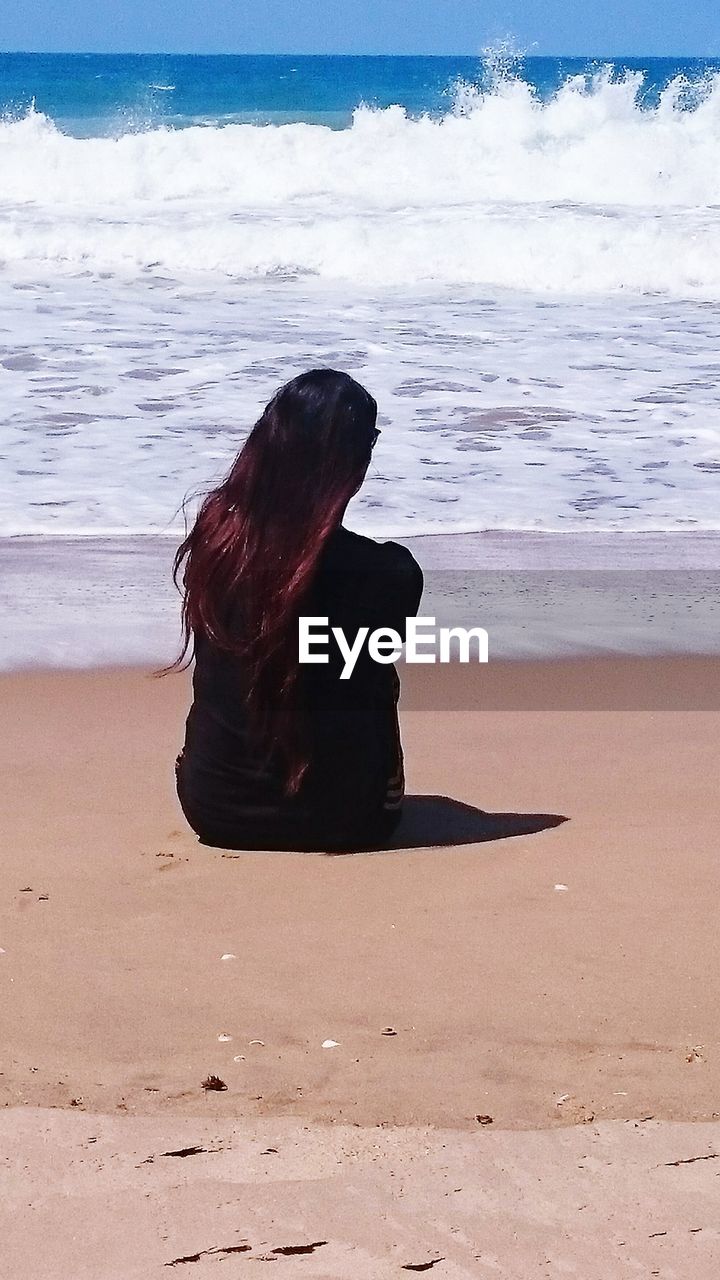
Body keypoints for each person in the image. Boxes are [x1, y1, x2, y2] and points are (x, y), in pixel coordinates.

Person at [169, 368, 423, 852]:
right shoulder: (389, 573)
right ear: (351, 462)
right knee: (373, 671)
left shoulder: (215, 541)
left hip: (212, 807)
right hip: (350, 819)